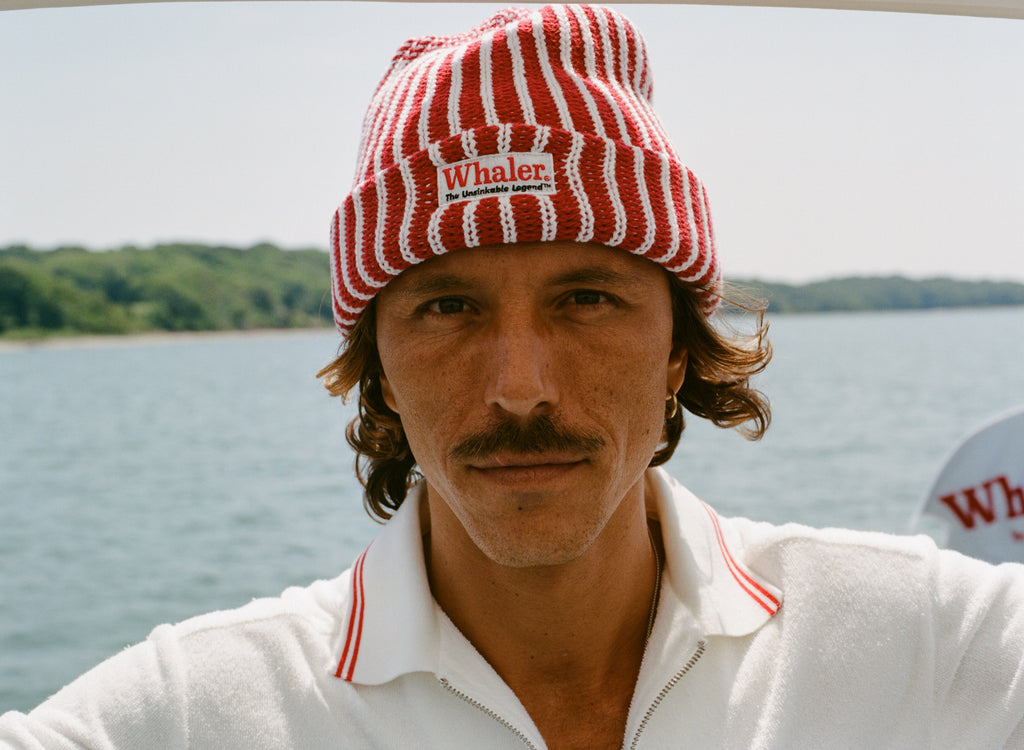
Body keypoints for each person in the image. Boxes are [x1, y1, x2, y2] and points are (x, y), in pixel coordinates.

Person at [2, 5, 1024, 748]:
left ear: (677, 347)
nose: (521, 388)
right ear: (381, 371)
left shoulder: (930, 648)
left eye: (587, 299)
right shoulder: (199, 712)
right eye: (447, 307)